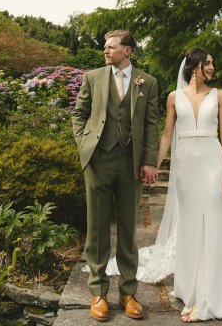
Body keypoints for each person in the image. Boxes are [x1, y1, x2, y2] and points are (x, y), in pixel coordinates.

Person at [72, 30, 159, 322]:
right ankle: (98, 293)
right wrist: (85, 146)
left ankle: (128, 292)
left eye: (111, 47)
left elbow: (151, 125)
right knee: (96, 229)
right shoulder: (93, 77)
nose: (106, 51)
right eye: (105, 47)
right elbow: (79, 114)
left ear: (128, 51)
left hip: (131, 163)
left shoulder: (147, 82)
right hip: (98, 160)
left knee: (127, 230)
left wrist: (149, 161)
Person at [156, 47, 222, 322]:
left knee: (213, 223)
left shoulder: (220, 96)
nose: (212, 68)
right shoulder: (173, 97)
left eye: (213, 63)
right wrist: (153, 166)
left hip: (212, 164)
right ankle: (191, 289)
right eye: (208, 63)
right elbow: (167, 134)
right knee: (190, 225)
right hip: (186, 168)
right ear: (194, 67)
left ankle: (210, 296)